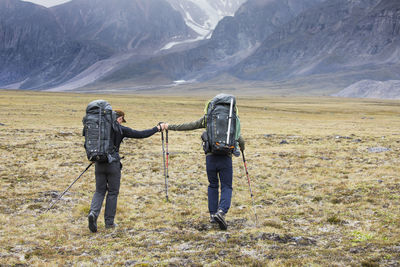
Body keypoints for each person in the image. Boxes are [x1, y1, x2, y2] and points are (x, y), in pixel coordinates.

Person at [165, 95, 245, 230]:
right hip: (225, 157)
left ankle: (213, 214)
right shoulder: (233, 120)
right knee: (226, 186)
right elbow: (239, 139)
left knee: (213, 185)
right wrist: (242, 148)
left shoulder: (208, 119)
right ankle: (221, 212)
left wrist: (169, 126)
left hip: (211, 157)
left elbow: (189, 125)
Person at [87, 109, 166, 232]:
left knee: (99, 191)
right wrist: (157, 128)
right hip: (113, 164)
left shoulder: (99, 129)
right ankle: (109, 223)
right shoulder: (121, 129)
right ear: (119, 118)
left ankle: (93, 213)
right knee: (113, 192)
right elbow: (141, 134)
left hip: (99, 163)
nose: (121, 122)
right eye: (121, 120)